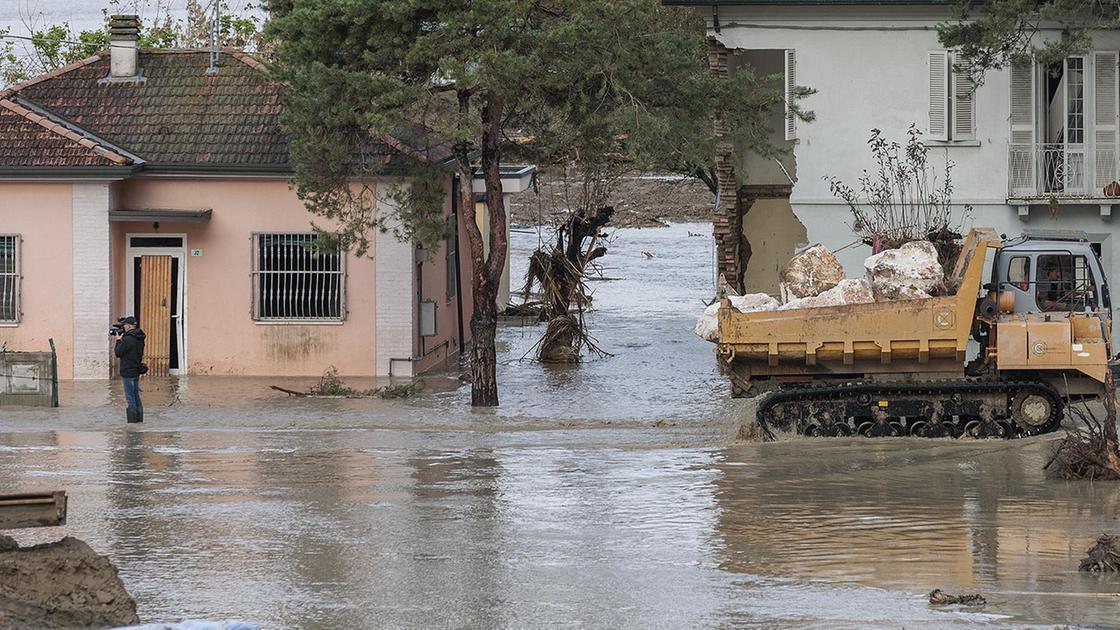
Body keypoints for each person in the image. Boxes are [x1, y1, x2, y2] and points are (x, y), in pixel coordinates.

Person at [114, 316, 146, 423]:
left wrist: (118, 341)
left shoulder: (127, 340)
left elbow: (118, 353)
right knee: (136, 397)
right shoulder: (139, 338)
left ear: (128, 326)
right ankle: (139, 422)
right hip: (136, 371)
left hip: (128, 372)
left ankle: (132, 425)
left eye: (124, 326)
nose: (124, 328)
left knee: (130, 398)